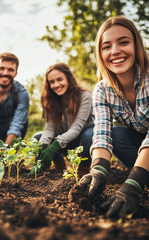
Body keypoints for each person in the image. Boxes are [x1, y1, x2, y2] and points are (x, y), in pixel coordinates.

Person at [79, 16, 149, 218]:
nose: (115, 51)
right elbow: (102, 131)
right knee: (117, 135)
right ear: (100, 54)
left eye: (124, 42)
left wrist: (133, 183)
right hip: (139, 144)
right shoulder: (102, 89)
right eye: (106, 46)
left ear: (137, 45)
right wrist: (98, 171)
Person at [31, 63, 94, 174]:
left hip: (82, 141)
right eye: (52, 82)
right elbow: (49, 129)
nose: (56, 85)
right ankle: (58, 168)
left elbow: (76, 128)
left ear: (68, 78)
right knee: (38, 138)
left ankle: (83, 170)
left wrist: (53, 147)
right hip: (65, 141)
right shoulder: (51, 100)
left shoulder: (85, 96)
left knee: (90, 134)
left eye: (60, 79)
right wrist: (42, 147)